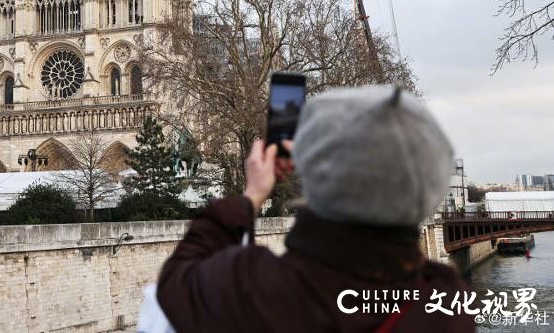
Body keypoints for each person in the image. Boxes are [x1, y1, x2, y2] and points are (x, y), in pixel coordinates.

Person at [156, 85, 475, 332]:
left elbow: (178, 278)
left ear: (314, 172)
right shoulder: (449, 307)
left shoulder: (260, 292)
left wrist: (251, 196)